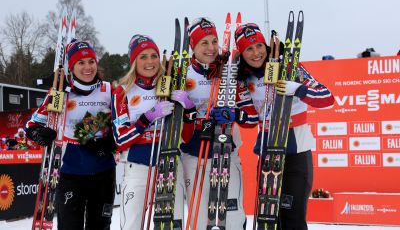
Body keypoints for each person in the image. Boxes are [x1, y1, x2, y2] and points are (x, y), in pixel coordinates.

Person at [234, 23, 334, 230]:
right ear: (241, 54)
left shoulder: (290, 68)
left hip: (296, 151)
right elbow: (251, 120)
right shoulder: (245, 80)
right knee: (269, 218)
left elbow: (327, 98)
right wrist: (232, 113)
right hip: (268, 150)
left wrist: (298, 89)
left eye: (259, 46)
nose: (255, 53)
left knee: (292, 217)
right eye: (248, 49)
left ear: (267, 46)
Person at [25, 39, 116, 230]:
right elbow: (31, 126)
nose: (87, 67)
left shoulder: (109, 90)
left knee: (100, 226)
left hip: (103, 173)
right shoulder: (60, 92)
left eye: (91, 61)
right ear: (71, 67)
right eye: (80, 63)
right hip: (70, 174)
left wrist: (110, 141)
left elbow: (122, 123)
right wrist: (41, 134)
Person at [179, 17, 257, 230]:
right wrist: (190, 114)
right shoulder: (182, 74)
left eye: (214, 41)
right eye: (204, 42)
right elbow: (180, 132)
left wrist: (235, 114)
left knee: (231, 219)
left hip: (226, 154)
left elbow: (251, 117)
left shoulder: (230, 72)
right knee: (198, 218)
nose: (211, 47)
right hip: (194, 157)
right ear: (192, 45)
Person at [111, 34, 190, 229]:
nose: (150, 62)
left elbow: (186, 137)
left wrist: (188, 110)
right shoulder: (122, 92)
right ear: (133, 61)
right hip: (138, 168)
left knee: (173, 225)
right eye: (143, 56)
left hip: (170, 165)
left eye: (153, 55)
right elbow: (120, 139)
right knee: (132, 225)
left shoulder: (171, 86)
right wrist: (147, 118)